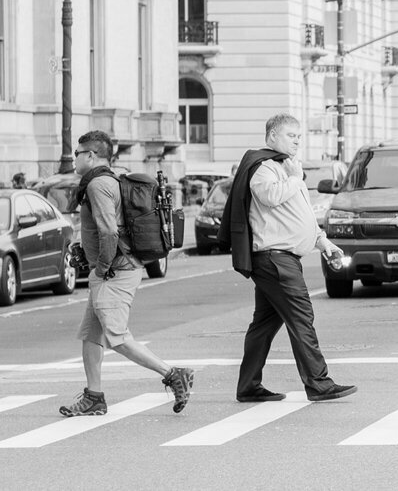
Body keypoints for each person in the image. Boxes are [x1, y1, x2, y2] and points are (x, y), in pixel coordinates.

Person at [58, 131, 195, 418]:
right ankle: (94, 397)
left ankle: (172, 374)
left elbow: (109, 230)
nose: (74, 158)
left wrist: (102, 267)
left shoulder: (97, 185)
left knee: (117, 337)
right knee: (91, 336)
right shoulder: (109, 179)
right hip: (112, 270)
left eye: (78, 153)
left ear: (91, 155)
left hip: (115, 272)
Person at [223, 113, 355, 403]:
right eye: (290, 135)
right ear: (272, 136)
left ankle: (248, 386)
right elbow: (270, 196)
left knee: (264, 324)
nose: (296, 141)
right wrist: (296, 179)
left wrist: (324, 243)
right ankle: (319, 384)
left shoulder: (286, 167)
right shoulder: (264, 167)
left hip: (280, 257)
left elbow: (300, 215)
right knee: (301, 317)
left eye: (298, 136)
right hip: (274, 258)